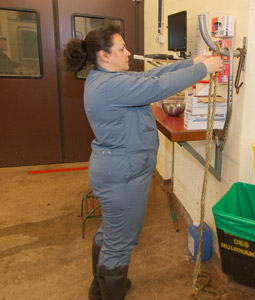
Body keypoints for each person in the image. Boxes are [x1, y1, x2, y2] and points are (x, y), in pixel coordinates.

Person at [62, 20, 223, 300]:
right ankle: (109, 289)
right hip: (122, 176)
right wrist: (201, 70)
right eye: (122, 49)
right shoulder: (110, 86)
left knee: (110, 233)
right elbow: (157, 87)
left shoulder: (107, 78)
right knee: (120, 242)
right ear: (104, 55)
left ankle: (99, 287)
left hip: (116, 170)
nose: (128, 53)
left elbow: (150, 79)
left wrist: (190, 62)